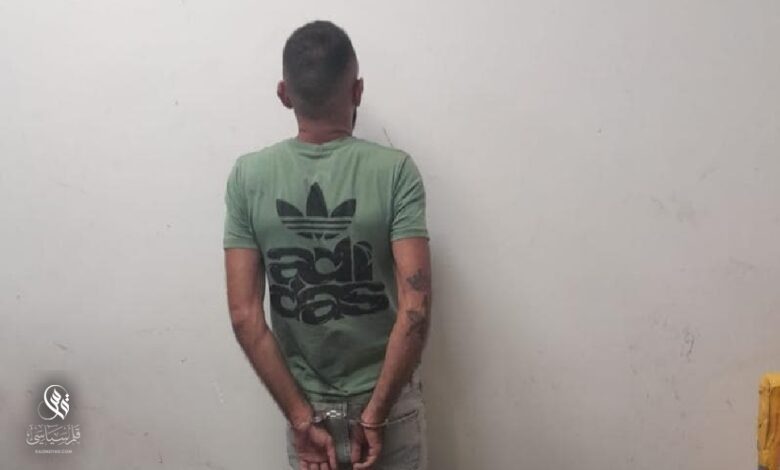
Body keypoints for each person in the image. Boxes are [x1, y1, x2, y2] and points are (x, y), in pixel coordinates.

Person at [222, 20, 432, 470]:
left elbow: (244, 316)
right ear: (357, 91)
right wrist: (375, 416)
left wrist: (301, 419)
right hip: (389, 407)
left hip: (307, 413)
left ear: (284, 94)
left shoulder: (248, 178)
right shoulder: (396, 172)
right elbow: (415, 308)